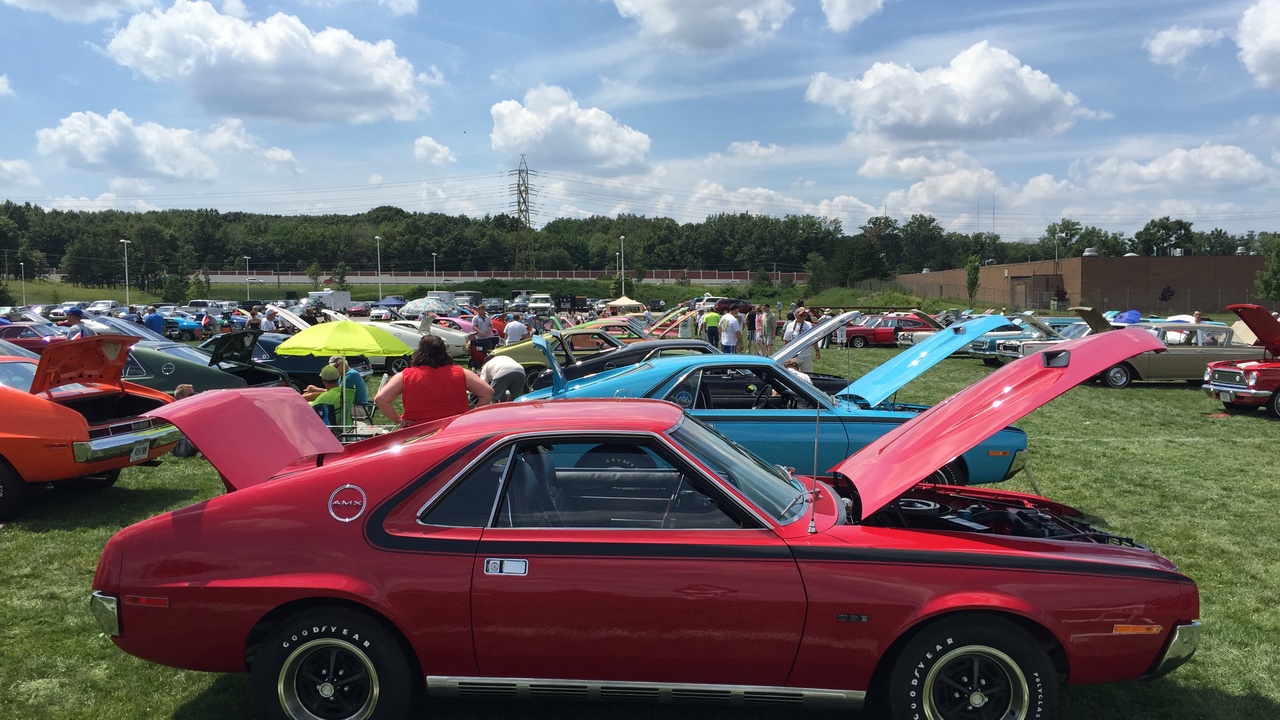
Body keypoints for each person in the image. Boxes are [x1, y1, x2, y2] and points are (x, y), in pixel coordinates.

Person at [375, 335, 492, 426]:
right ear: (444, 352)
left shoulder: (405, 376)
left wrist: (399, 420)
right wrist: (471, 418)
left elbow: (380, 399)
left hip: (418, 431)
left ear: (419, 352)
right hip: (455, 429)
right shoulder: (461, 373)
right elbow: (487, 392)